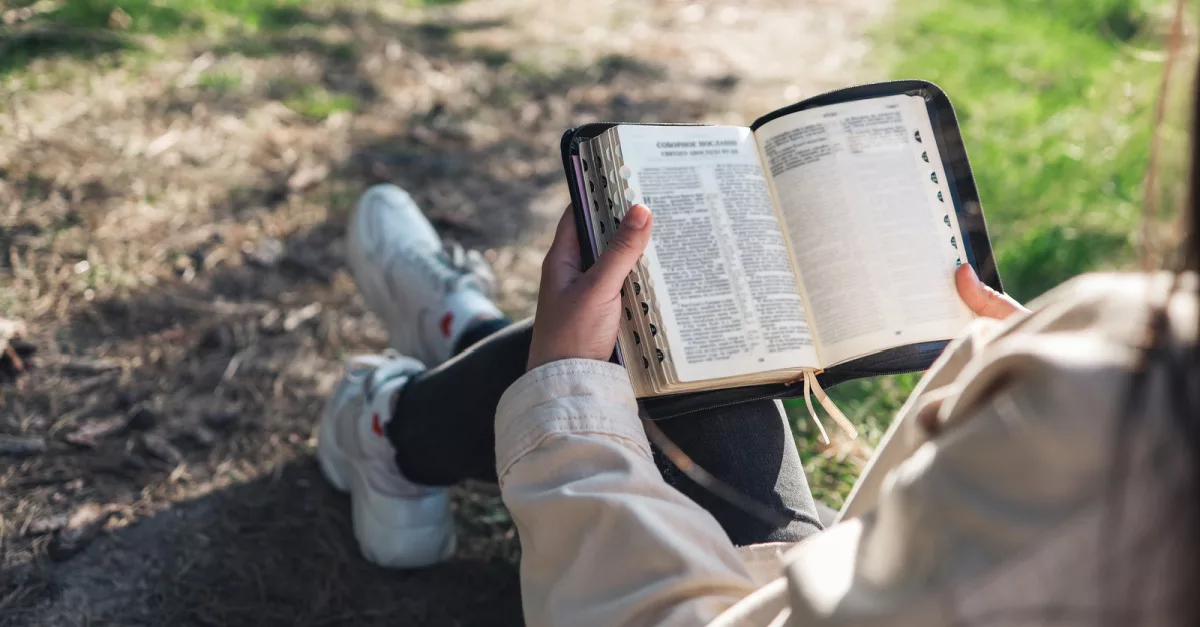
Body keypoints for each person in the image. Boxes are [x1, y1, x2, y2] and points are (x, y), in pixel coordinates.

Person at [317, 112, 1199, 626]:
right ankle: (466, 333)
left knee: (639, 345)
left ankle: (394, 428)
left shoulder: (1139, 434)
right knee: (696, 359)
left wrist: (560, 397)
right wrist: (1015, 372)